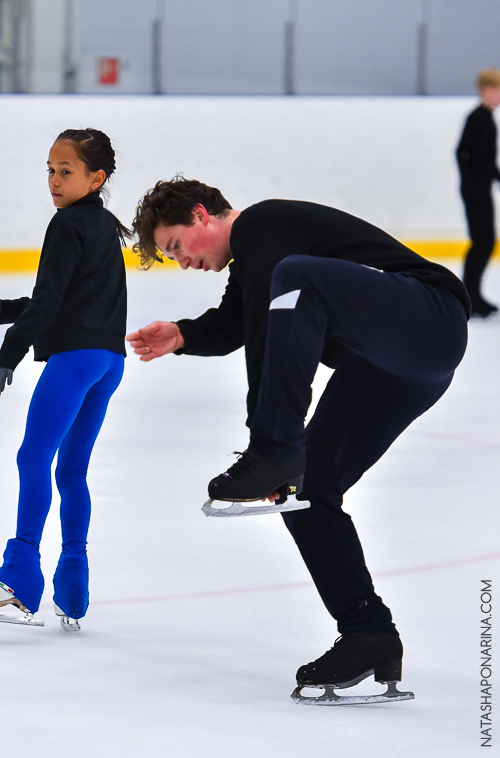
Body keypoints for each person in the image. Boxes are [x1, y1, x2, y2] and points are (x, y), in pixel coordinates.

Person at [126, 176, 469, 698]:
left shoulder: (263, 225)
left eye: (175, 246)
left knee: (296, 278)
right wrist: (184, 334)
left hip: (430, 316)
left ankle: (275, 448)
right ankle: (367, 631)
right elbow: (243, 321)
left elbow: (272, 315)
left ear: (201, 215)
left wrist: (266, 442)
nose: (181, 262)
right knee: (307, 492)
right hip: (390, 371)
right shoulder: (260, 266)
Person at [0, 128, 130, 630]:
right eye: (50, 170)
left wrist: (11, 352)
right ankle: (73, 584)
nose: (53, 180)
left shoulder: (67, 225)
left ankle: (20, 576)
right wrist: (10, 310)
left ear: (96, 178)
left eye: (65, 171)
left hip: (75, 361)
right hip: (107, 363)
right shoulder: (99, 226)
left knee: (33, 456)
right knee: (71, 471)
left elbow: (53, 301)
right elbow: (70, 298)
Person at [456, 68, 500, 319]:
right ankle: (469, 293)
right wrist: (471, 186)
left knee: (486, 241)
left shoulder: (487, 118)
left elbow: (486, 159)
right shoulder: (477, 118)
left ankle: (475, 292)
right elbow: (462, 153)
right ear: (486, 90)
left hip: (481, 189)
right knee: (482, 242)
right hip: (475, 192)